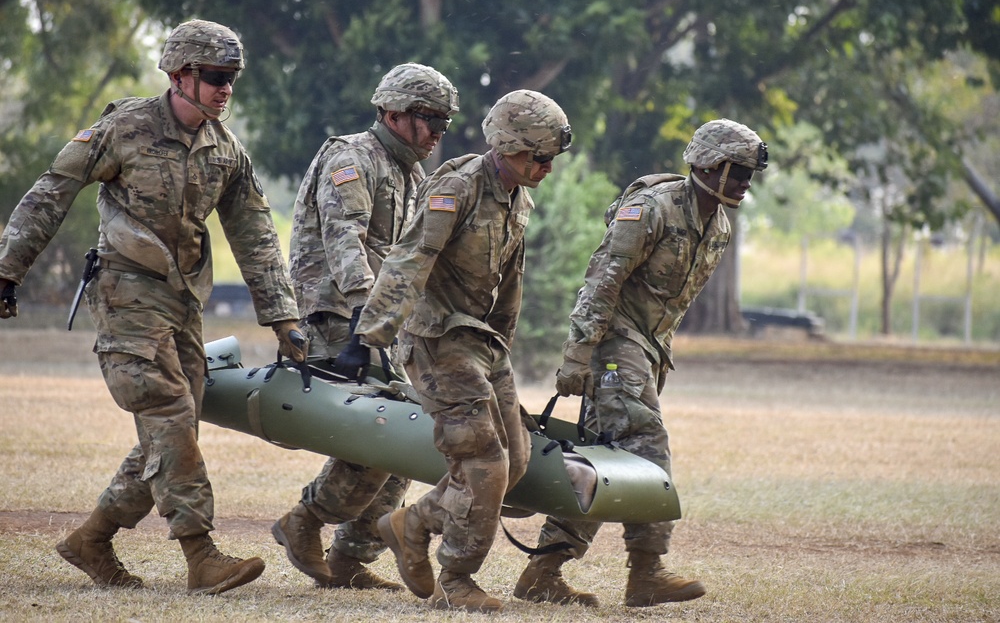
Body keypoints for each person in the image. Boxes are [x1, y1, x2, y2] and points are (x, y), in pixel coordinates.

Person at [0, 19, 306, 596]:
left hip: (182, 301)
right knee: (166, 410)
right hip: (124, 293)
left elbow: (256, 234)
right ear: (179, 75)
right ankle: (200, 554)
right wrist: (6, 269)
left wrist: (282, 318)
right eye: (215, 77)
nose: (225, 89)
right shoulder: (125, 128)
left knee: (173, 430)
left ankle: (91, 538)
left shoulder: (225, 150)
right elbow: (52, 191)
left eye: (231, 78)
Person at [512, 118, 768, 608]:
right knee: (647, 446)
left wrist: (656, 361)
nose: (744, 182)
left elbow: (672, 304)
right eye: (737, 170)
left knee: (602, 458)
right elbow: (601, 283)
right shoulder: (650, 210)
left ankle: (542, 572)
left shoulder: (718, 225)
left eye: (748, 173)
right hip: (614, 345)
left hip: (648, 350)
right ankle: (646, 572)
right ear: (708, 166)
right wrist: (577, 355)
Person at [352, 90, 572, 613]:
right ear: (506, 145)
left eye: (550, 159)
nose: (545, 167)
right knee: (484, 465)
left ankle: (413, 522)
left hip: (480, 343)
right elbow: (409, 260)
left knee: (516, 463)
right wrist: (371, 338)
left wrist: (502, 345)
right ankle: (456, 578)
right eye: (536, 156)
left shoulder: (518, 195)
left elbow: (510, 280)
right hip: (436, 339)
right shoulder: (458, 188)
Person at [272, 63, 459, 590]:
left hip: (379, 323)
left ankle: (351, 558)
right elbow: (344, 238)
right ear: (393, 113)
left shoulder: (411, 172)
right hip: (339, 313)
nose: (438, 134)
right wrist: (361, 320)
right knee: (375, 435)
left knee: (400, 445)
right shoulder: (352, 156)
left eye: (445, 123)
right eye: (430, 121)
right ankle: (303, 522)